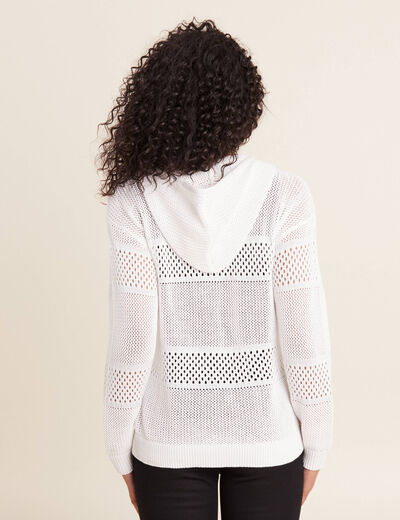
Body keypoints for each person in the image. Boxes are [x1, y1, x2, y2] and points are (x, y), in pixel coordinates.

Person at [97, 17, 334, 520]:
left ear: (155, 106)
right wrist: (317, 443)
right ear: (244, 108)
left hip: (168, 444)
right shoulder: (284, 196)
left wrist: (119, 447)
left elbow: (133, 339)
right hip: (268, 440)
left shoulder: (133, 202)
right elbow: (304, 334)